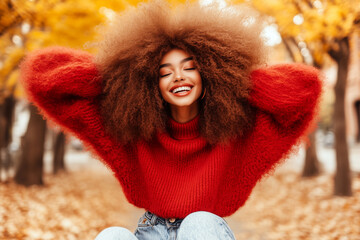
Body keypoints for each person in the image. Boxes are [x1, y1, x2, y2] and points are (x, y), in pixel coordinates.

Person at [20, 1, 322, 239]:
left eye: (190, 67)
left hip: (205, 233)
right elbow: (43, 77)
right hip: (149, 231)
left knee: (199, 223)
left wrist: (240, 80)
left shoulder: (241, 130)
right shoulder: (130, 130)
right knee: (112, 236)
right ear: (149, 83)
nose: (178, 76)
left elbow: (304, 90)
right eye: (164, 72)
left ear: (210, 72)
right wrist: (113, 79)